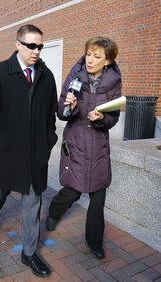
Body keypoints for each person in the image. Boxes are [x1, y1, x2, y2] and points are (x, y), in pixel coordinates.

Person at [0, 24, 58, 277]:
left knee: (33, 204)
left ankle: (29, 253)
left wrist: (48, 142)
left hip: (35, 155)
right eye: (31, 45)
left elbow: (50, 116)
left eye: (40, 46)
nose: (36, 51)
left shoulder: (46, 75)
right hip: (4, 153)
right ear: (18, 45)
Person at [46, 37, 121, 260]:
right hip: (77, 142)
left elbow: (113, 117)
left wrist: (101, 118)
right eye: (89, 54)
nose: (90, 59)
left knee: (98, 197)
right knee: (73, 191)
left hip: (98, 145)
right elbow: (61, 111)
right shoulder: (75, 76)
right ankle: (54, 212)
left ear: (107, 61)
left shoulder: (114, 81)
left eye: (97, 56)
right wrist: (71, 107)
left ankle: (94, 241)